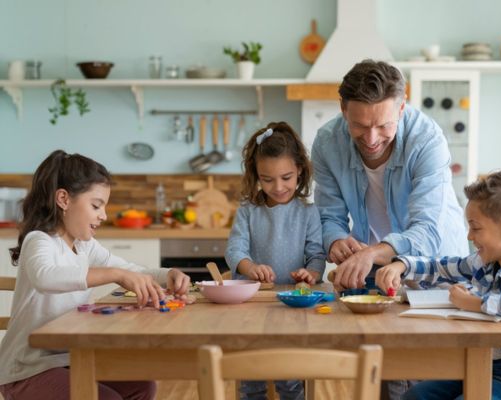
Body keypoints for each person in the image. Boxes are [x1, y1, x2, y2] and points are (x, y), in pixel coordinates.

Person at [0, 150, 191, 400]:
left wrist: (169, 274)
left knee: (142, 387)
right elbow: (45, 277)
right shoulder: (40, 240)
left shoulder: (84, 245)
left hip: (70, 359)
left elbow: (132, 270)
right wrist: (114, 274)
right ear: (64, 199)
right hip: (27, 369)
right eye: (96, 205)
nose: (104, 215)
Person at [376, 168, 501, 400]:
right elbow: (445, 266)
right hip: (485, 364)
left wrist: (474, 303)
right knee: (415, 396)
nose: (469, 236)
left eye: (475, 228)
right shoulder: (489, 260)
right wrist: (402, 265)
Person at [311, 59, 469, 291]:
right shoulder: (327, 143)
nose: (371, 139)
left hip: (437, 271)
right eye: (360, 126)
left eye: (383, 125)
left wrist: (372, 253)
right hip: (375, 270)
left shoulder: (427, 140)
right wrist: (335, 239)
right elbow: (329, 216)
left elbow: (427, 228)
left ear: (401, 108)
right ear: (343, 109)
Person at [225, 121, 326, 400]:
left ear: (300, 171)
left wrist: (311, 274)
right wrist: (251, 268)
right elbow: (235, 249)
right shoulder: (248, 209)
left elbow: (317, 255)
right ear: (256, 175)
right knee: (251, 374)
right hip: (252, 305)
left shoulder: (308, 211)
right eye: (267, 179)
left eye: (286, 177)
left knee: (291, 375)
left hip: (292, 305)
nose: (278, 187)